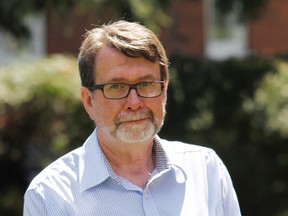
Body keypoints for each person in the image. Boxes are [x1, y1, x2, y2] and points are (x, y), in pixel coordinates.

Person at [23, 20, 241, 215]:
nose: (134, 102)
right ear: (89, 101)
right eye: (116, 87)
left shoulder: (205, 170)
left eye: (146, 84)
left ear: (164, 92)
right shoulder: (50, 196)